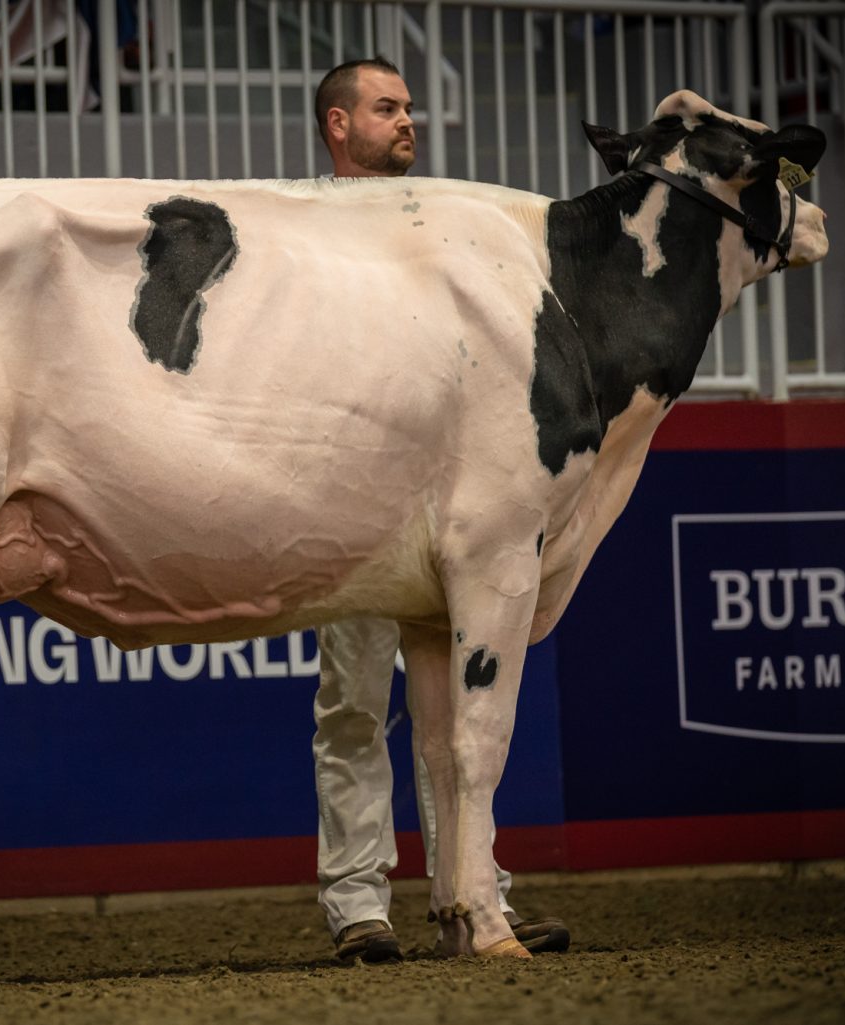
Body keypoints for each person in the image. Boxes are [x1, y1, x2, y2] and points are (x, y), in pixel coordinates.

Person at [310, 57, 571, 964]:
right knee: (352, 701)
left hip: (449, 494)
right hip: (348, 495)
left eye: (408, 108)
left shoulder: (439, 220)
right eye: (386, 108)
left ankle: (476, 893)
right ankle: (357, 905)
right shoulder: (302, 228)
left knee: (462, 703)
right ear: (338, 125)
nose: (406, 121)